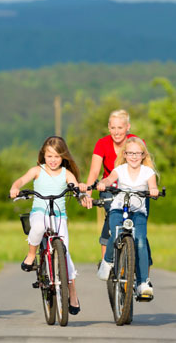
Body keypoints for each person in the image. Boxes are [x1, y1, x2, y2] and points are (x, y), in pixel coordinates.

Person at [10, 136, 86, 315]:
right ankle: (30, 255)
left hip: (59, 216)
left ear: (63, 157)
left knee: (65, 255)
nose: (53, 160)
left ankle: (72, 293)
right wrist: (15, 188)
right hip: (40, 212)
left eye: (57, 156)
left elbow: (75, 187)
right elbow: (20, 181)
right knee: (37, 228)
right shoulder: (37, 170)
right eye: (49, 156)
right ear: (43, 155)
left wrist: (82, 194)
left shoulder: (66, 173)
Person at [96, 137, 159, 295]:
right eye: (130, 153)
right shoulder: (120, 169)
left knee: (141, 242)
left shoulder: (148, 172)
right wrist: (104, 183)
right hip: (119, 208)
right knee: (115, 233)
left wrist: (153, 191)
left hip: (138, 212)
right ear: (124, 154)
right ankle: (108, 261)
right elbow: (110, 179)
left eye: (138, 153)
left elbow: (152, 185)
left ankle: (143, 283)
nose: (134, 156)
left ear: (143, 155)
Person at [83, 109, 149, 258]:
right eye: (113, 128)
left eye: (120, 128)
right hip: (110, 188)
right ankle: (107, 261)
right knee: (113, 218)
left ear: (128, 127)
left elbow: (147, 167)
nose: (116, 132)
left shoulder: (137, 142)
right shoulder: (102, 143)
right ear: (108, 127)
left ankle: (143, 274)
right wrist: (87, 194)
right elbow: (94, 172)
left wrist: (151, 187)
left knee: (139, 229)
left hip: (135, 187)